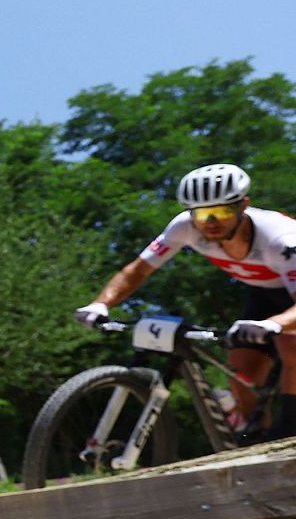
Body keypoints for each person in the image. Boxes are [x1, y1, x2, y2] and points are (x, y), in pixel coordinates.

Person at [75, 163, 296, 438]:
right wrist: (100, 304)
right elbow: (138, 269)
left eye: (222, 212)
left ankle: (290, 429)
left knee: (291, 345)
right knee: (240, 374)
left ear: (243, 206)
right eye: (203, 214)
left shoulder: (281, 239)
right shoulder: (185, 227)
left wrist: (274, 324)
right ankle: (258, 440)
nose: (211, 222)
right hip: (262, 292)